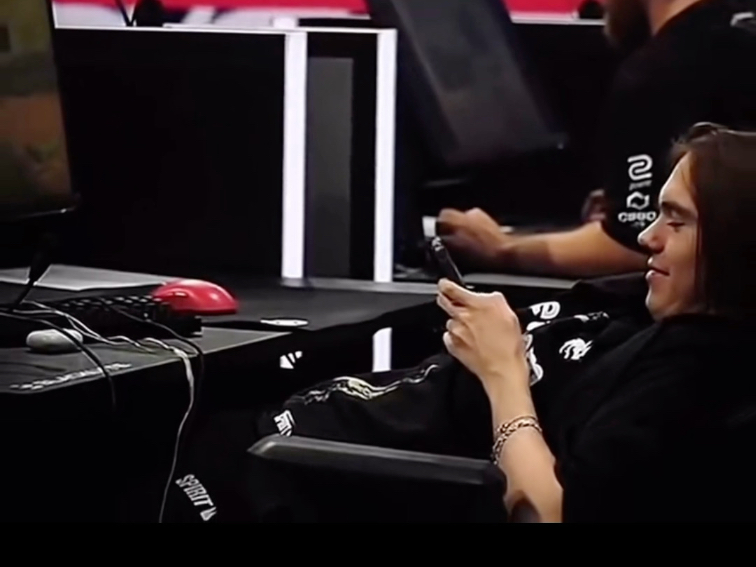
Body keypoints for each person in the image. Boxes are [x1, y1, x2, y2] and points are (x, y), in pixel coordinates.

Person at [163, 124, 756, 522]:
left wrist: (502, 370)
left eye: (676, 221)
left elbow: (549, 513)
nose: (647, 236)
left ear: (736, 244)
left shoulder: (690, 374)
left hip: (289, 474)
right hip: (294, 431)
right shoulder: (648, 304)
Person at [437, 0, 756, 278]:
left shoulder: (663, 72)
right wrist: (635, 198)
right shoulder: (739, 33)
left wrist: (503, 248)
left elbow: (636, 246)